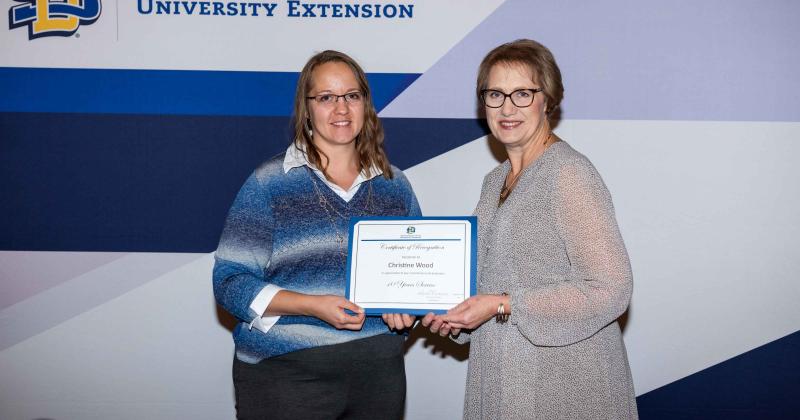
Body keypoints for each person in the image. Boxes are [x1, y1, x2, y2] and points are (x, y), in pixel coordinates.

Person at [422, 39, 638, 419]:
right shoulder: (496, 180)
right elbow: (491, 279)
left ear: (548, 100)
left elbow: (611, 288)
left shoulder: (569, 174)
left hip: (564, 388)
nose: (507, 108)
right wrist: (454, 313)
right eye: (495, 94)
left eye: (522, 93)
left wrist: (503, 304)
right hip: (503, 378)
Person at [213, 50, 420, 419]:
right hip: (287, 378)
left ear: (366, 105)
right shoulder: (269, 183)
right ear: (306, 109)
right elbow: (229, 282)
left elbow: (415, 278)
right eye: (326, 98)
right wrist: (311, 304)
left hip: (378, 377)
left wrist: (409, 306)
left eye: (351, 96)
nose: (341, 109)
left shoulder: (395, 185)